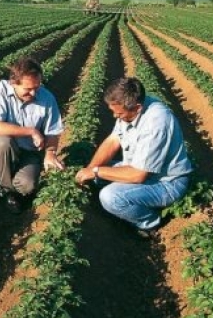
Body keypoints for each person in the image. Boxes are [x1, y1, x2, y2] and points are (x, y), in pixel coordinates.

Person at [75, 77, 192, 238]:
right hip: (137, 168)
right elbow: (112, 141)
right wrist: (90, 169)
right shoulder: (128, 110)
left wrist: (96, 171)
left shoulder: (156, 123)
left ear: (137, 107)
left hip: (166, 182)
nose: (116, 116)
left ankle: (150, 222)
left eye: (119, 113)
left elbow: (139, 175)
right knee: (95, 177)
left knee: (110, 197)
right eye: (113, 111)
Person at [0, 57, 65, 213]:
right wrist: (31, 131)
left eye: (37, 87)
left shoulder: (47, 98)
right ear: (13, 83)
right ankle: (5, 190)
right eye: (28, 89)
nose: (33, 93)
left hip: (27, 153)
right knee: (5, 143)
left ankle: (5, 180)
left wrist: (50, 153)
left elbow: (53, 131)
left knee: (28, 185)